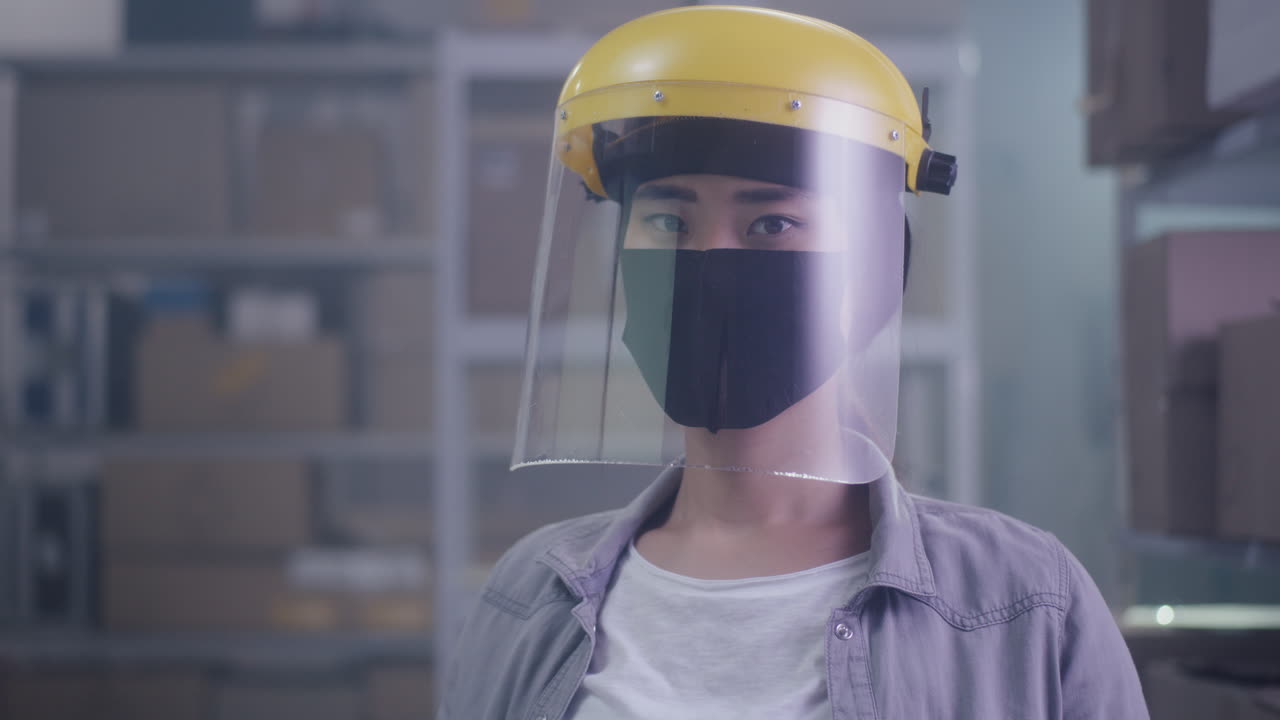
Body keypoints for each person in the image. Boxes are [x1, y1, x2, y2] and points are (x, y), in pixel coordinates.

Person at [438, 6, 1149, 719]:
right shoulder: (529, 594)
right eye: (669, 221)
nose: (707, 260)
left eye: (771, 223)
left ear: (874, 273)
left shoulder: (1026, 605)